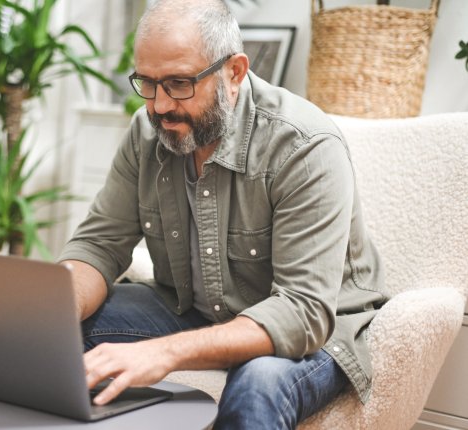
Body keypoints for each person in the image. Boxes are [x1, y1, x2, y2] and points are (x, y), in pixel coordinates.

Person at [57, 0, 389, 428]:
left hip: (316, 328)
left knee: (258, 384)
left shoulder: (304, 146)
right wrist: (57, 305)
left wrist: (165, 352)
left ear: (233, 72)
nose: (158, 106)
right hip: (194, 308)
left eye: (178, 83)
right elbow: (98, 245)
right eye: (148, 83)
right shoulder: (146, 133)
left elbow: (302, 311)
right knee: (60, 334)